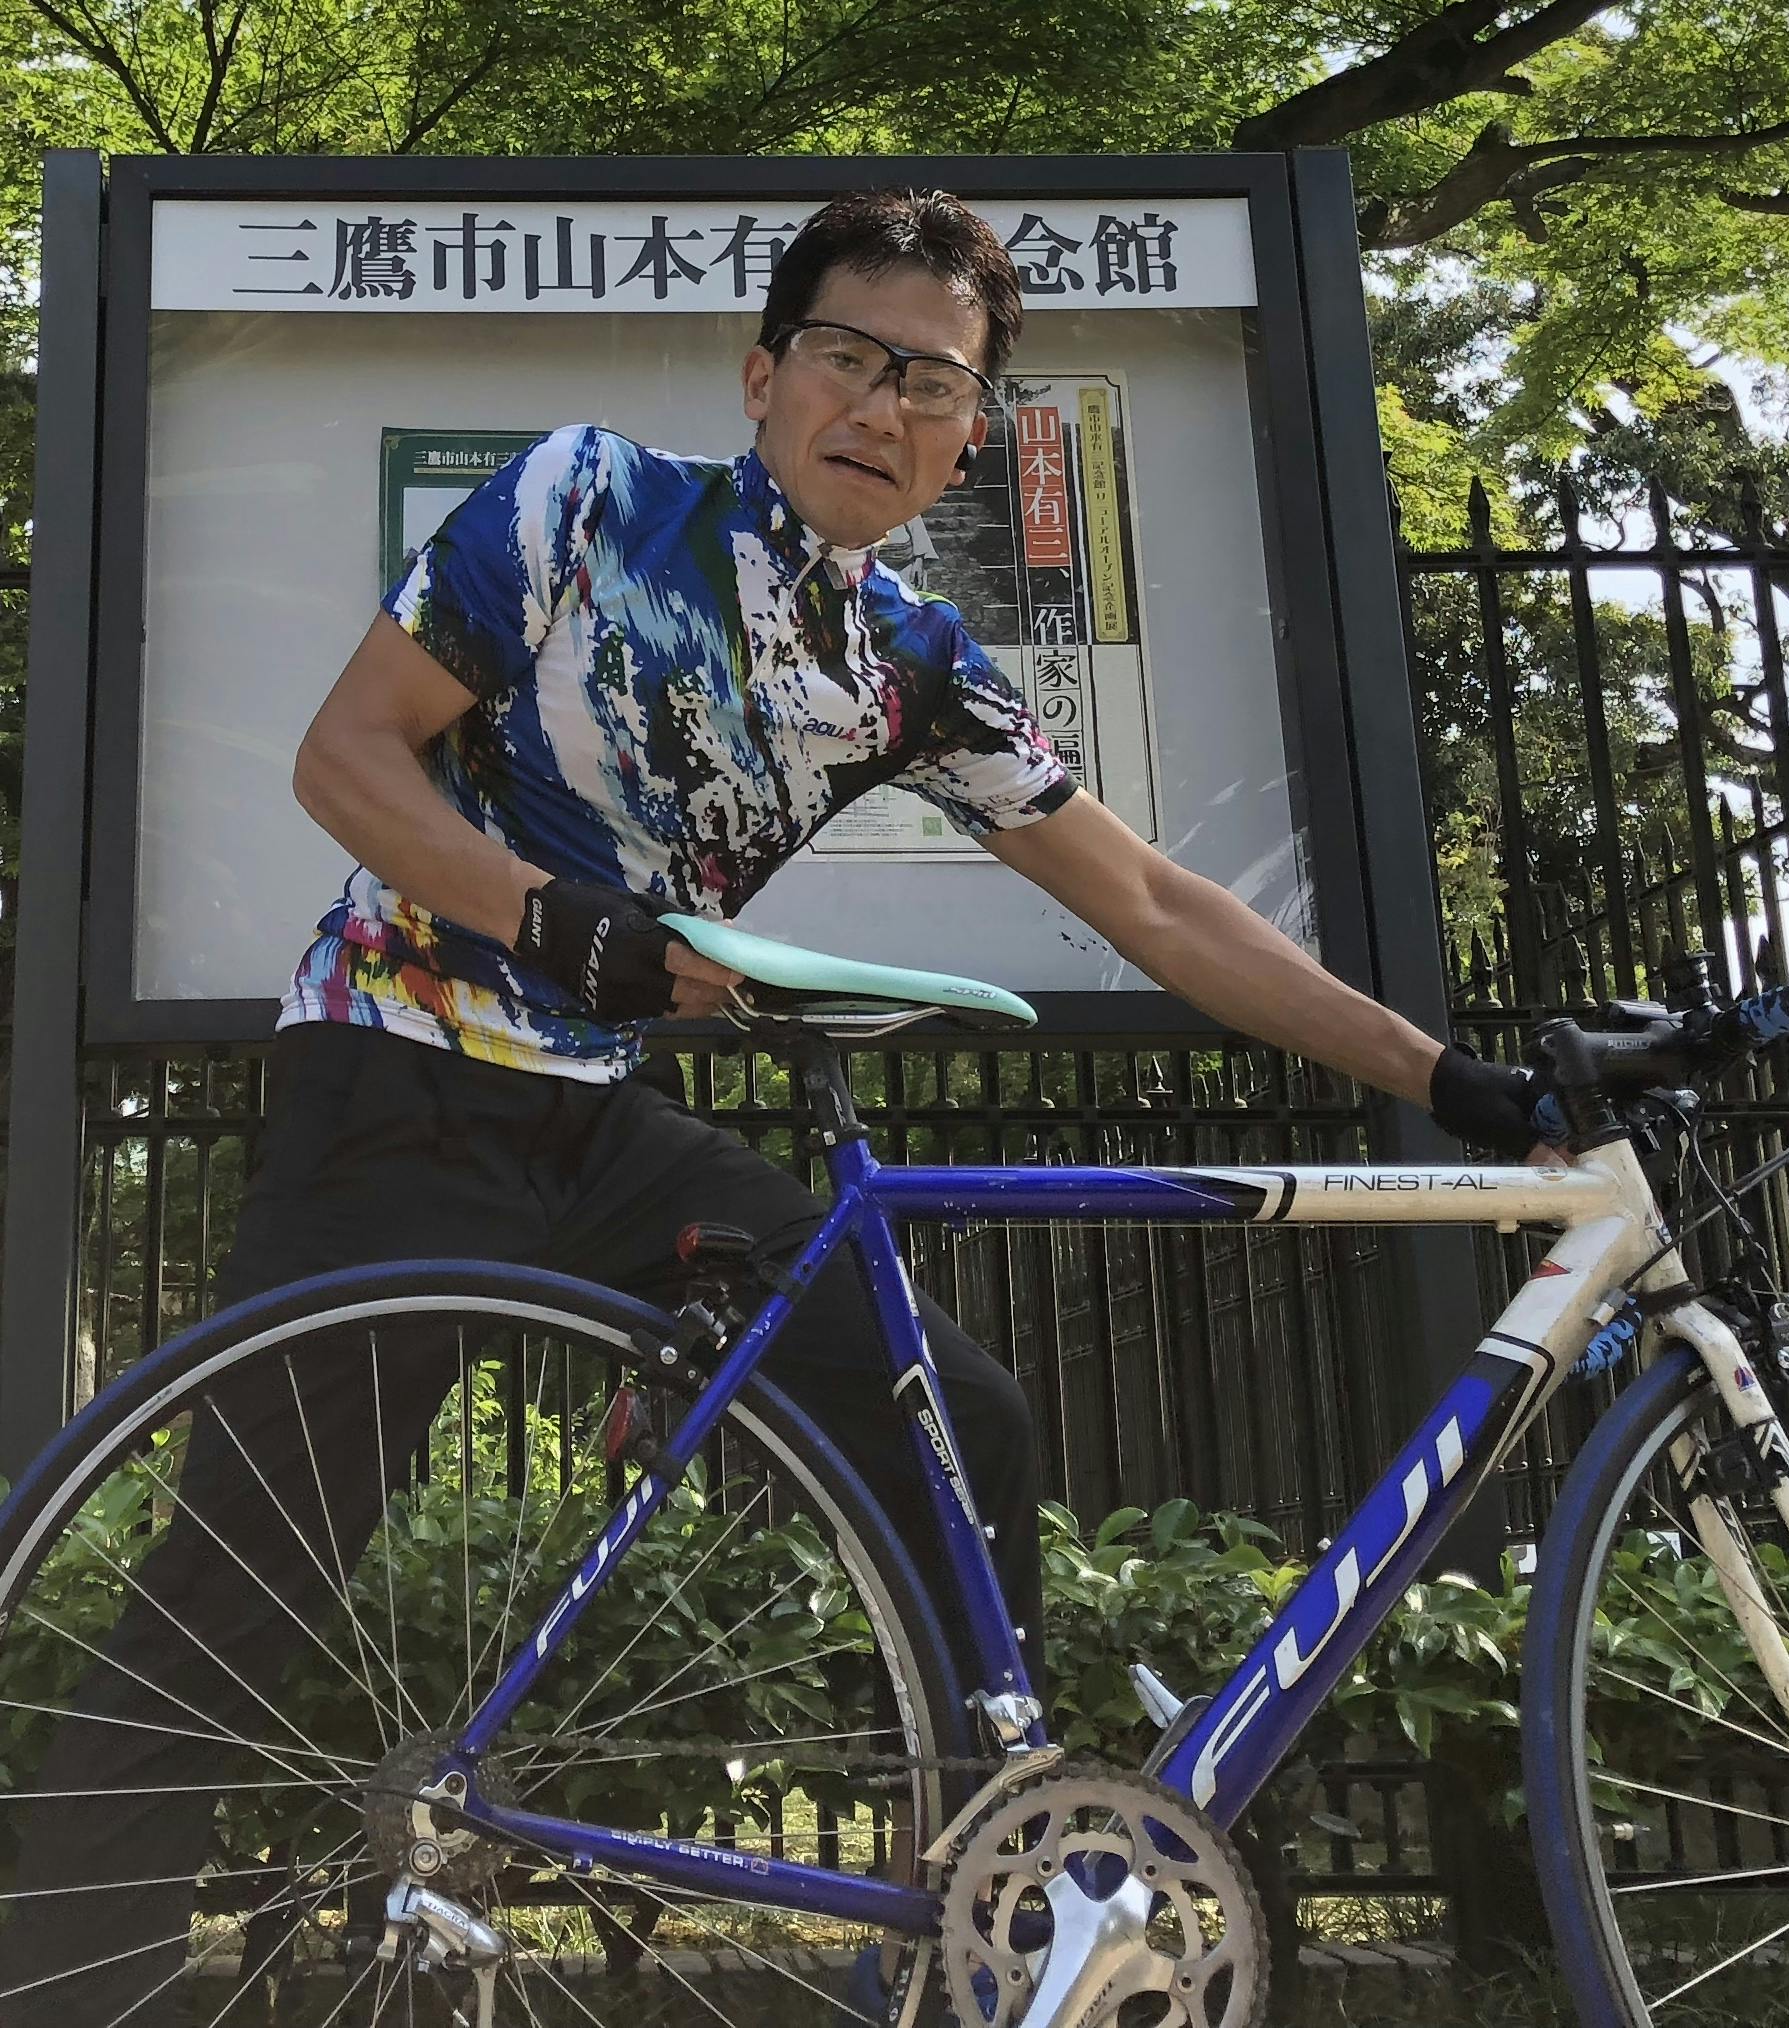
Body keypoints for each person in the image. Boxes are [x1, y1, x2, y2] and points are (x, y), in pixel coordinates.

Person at [0, 188, 1542, 2025]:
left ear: (973, 433)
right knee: (240, 1587)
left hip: (597, 1124)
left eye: (933, 381)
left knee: (946, 1408)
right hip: (394, 1079)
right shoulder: (584, 497)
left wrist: (1447, 1077)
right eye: (847, 356)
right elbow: (349, 755)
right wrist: (554, 917)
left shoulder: (908, 661)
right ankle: (56, 1988)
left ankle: (997, 1913)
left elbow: (1153, 904)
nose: (882, 406)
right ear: (762, 374)